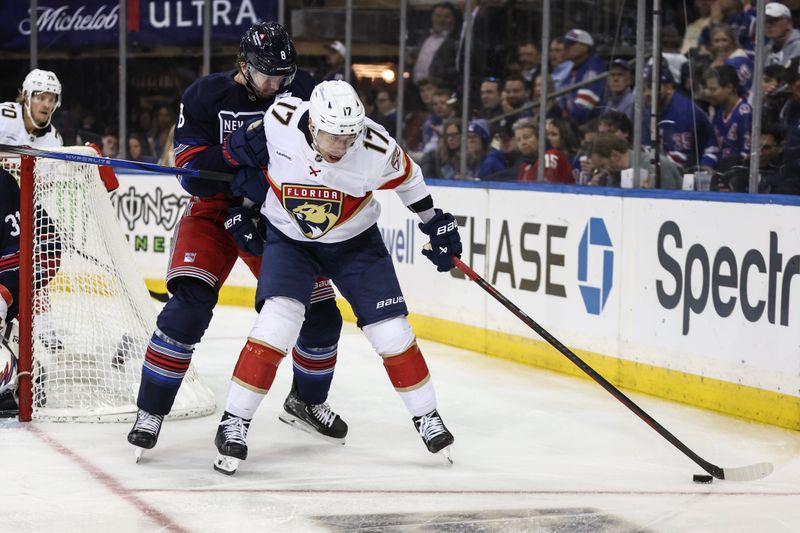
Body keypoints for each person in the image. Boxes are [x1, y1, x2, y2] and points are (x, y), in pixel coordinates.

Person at [211, 80, 461, 474]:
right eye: (333, 137)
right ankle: (234, 422)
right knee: (277, 323)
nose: (342, 147)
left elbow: (410, 178)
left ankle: (428, 417)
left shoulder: (376, 147)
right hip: (289, 238)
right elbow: (251, 161)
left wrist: (435, 222)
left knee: (392, 332)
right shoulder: (279, 118)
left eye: (349, 137)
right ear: (312, 125)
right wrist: (243, 206)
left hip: (355, 242)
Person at [126, 22, 349, 459]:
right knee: (189, 305)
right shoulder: (204, 96)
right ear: (242, 65)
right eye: (267, 75)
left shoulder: (303, 89)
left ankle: (306, 400)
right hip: (214, 212)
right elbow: (191, 176)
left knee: (322, 314)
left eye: (283, 76)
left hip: (273, 213)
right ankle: (150, 412)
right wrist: (232, 154)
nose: (276, 84)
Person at [0, 69, 64, 415]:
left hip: (19, 206)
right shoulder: (4, 116)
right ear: (25, 97)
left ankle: (18, 316)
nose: (46, 103)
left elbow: (43, 190)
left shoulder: (52, 139)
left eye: (51, 98)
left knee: (52, 248)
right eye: (40, 96)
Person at [703, 64, 752, 163]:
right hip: (721, 172)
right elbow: (713, 147)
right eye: (707, 88)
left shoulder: (745, 114)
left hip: (738, 174)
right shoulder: (718, 113)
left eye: (713, 89)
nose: (707, 93)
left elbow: (746, 154)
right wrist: (706, 166)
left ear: (729, 88)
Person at [558, 29, 607, 125]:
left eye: (571, 44)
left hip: (589, 127)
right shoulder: (572, 70)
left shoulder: (594, 66)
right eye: (565, 45)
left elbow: (583, 110)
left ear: (585, 46)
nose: (566, 48)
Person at [766, 2, 800, 66]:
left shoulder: (798, 46)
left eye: (774, 20)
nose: (768, 25)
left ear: (788, 22)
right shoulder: (766, 48)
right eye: (766, 21)